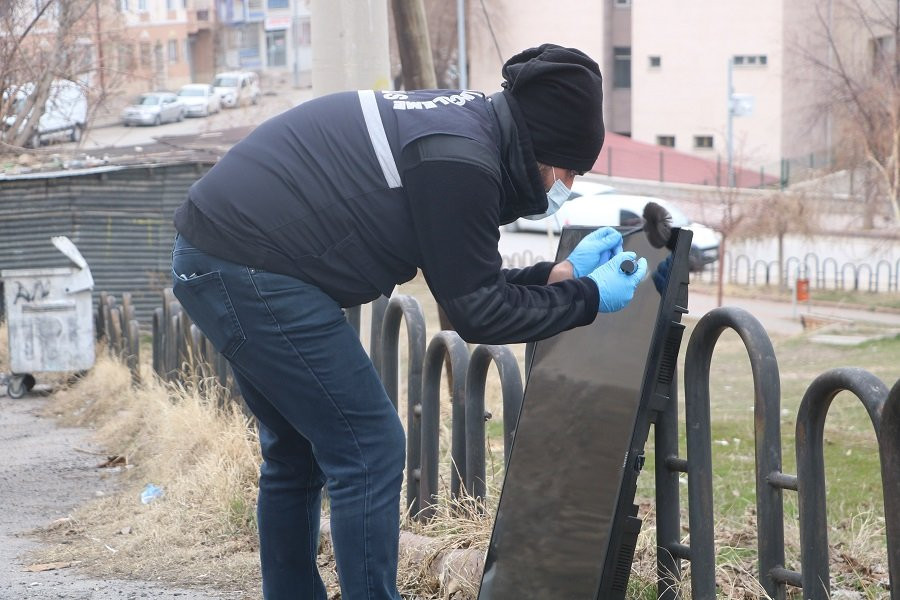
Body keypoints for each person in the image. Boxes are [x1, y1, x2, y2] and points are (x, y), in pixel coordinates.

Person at [171, 43, 647, 600]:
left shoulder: (469, 131)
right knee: (369, 448)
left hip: (223, 254)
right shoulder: (460, 160)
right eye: (568, 170)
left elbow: (469, 285)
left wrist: (558, 276)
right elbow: (480, 315)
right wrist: (589, 298)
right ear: (542, 146)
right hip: (252, 268)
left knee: (298, 451)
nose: (564, 185)